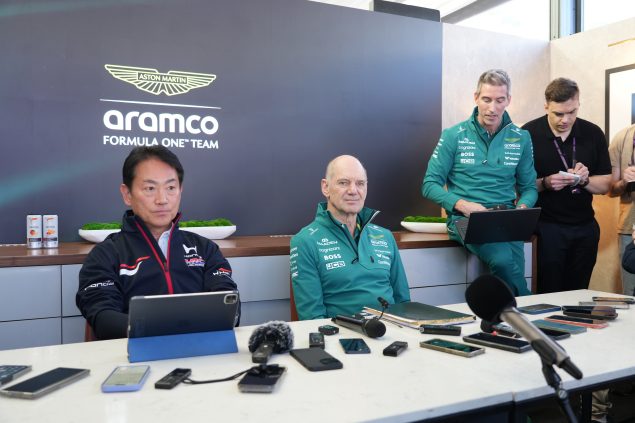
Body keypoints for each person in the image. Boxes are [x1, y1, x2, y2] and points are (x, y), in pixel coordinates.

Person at [76, 146, 239, 340]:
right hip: (132, 354)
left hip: (203, 351)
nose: (162, 200)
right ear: (127, 194)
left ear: (180, 191)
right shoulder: (105, 255)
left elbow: (229, 306)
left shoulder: (206, 250)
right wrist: (169, 328)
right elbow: (104, 320)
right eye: (150, 188)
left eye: (170, 188)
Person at [422, 69, 536, 296]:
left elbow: (529, 188)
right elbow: (429, 184)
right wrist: (463, 205)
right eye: (486, 99)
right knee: (503, 261)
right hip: (465, 218)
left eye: (499, 100)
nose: (492, 108)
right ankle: (532, 309)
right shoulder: (453, 135)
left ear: (508, 100)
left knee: (513, 270)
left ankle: (510, 315)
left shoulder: (521, 137)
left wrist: (522, 209)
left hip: (507, 218)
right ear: (476, 98)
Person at [290, 155, 410, 320]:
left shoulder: (386, 236)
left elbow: (404, 303)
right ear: (325, 187)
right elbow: (312, 318)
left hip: (390, 331)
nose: (353, 190)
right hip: (341, 334)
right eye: (343, 183)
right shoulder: (305, 241)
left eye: (360, 183)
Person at [522, 78, 611, 294]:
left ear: (578, 103)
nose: (566, 120)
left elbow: (605, 184)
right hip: (546, 228)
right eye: (558, 114)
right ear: (546, 106)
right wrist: (545, 183)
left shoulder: (593, 133)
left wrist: (585, 180)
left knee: (579, 294)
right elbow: (516, 187)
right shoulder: (528, 134)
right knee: (547, 292)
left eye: (572, 112)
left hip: (585, 227)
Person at [608, 123, 635, 296]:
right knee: (630, 294)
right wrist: (625, 181)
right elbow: (611, 190)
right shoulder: (623, 137)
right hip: (629, 228)